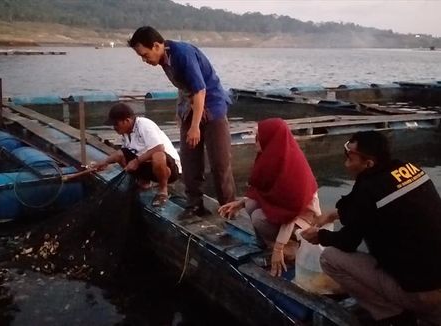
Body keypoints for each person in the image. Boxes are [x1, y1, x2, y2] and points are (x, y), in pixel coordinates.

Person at [301, 131, 441, 325]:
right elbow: (368, 206)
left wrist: (319, 235)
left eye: (350, 156)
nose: (345, 162)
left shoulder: (368, 190)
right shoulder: (408, 169)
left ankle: (391, 315)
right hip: (435, 277)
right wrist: (333, 215)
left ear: (368, 164)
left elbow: (347, 242)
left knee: (330, 258)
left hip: (423, 295)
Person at [127, 26, 236, 217]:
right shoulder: (164, 59)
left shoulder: (182, 54)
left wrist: (195, 127)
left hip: (212, 106)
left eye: (145, 55)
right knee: (189, 158)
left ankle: (228, 208)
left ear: (156, 46)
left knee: (220, 162)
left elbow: (200, 90)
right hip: (190, 107)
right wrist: (181, 112)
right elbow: (183, 86)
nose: (144, 60)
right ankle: (195, 204)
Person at [218, 118, 320, 277]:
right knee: (251, 204)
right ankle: (269, 243)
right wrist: (240, 203)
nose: (255, 141)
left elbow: (291, 212)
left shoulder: (293, 169)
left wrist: (279, 248)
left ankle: (290, 248)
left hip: (303, 220)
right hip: (287, 214)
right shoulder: (271, 157)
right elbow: (261, 191)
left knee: (259, 217)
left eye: (260, 137)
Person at [93, 103, 181, 207]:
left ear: (127, 120)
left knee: (158, 155)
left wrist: (136, 161)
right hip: (149, 167)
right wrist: (104, 162)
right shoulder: (125, 134)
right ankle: (143, 182)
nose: (114, 127)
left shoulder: (144, 125)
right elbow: (121, 153)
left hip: (170, 169)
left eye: (116, 124)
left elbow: (159, 148)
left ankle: (163, 191)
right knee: (120, 155)